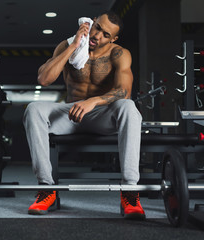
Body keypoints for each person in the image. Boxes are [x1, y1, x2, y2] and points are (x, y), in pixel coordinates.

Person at [23, 11, 145, 220]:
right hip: (70, 114)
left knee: (128, 106)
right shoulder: (68, 45)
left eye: (106, 34)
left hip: (101, 114)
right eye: (97, 28)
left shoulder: (119, 54)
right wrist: (73, 45)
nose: (98, 36)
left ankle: (129, 191)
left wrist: (93, 101)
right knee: (33, 109)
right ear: (92, 22)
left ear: (113, 39)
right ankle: (46, 188)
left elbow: (123, 91)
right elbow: (44, 79)